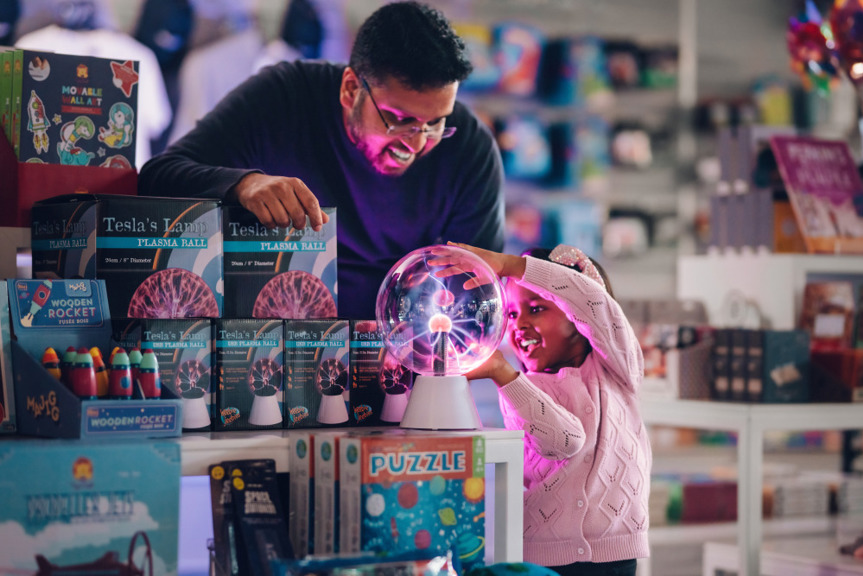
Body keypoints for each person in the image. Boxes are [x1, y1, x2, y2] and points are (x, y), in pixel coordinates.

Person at [137, 1, 505, 320]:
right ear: (350, 89)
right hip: (272, 345)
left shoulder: (470, 149)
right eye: (399, 120)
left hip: (393, 355)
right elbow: (158, 177)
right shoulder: (285, 96)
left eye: (436, 122)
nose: (417, 142)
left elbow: (479, 284)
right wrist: (243, 185)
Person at [446, 241, 651, 576]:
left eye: (536, 309)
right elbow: (562, 442)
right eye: (511, 313)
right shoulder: (519, 386)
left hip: (613, 554)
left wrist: (512, 265)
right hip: (540, 556)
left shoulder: (619, 368)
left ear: (577, 313)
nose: (518, 324)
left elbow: (593, 302)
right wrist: (503, 376)